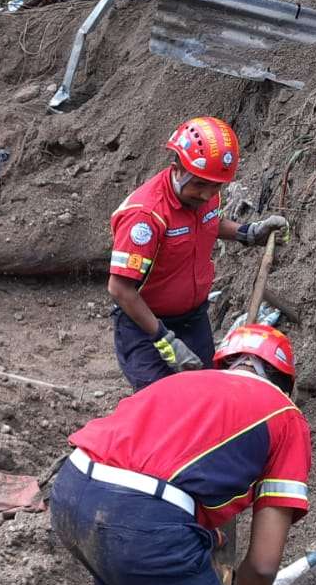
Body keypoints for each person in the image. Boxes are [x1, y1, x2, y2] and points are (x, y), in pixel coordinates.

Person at [50, 324, 311, 585]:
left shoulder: (183, 383)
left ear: (225, 363)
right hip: (140, 523)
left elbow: (155, 467)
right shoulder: (285, 416)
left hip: (73, 489)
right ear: (285, 383)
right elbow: (262, 564)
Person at [107, 117, 289, 392]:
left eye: (216, 187)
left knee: (205, 393)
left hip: (193, 318)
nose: (207, 195)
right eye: (200, 185)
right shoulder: (145, 216)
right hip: (144, 325)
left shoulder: (204, 193)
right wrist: (164, 339)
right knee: (161, 399)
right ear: (177, 170)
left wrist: (248, 232)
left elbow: (209, 222)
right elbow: (120, 288)